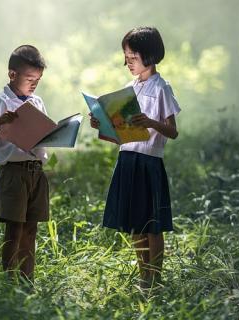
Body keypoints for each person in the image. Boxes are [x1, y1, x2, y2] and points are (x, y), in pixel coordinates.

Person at [89, 27, 181, 288]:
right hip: (127, 159)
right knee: (135, 224)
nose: (126, 63)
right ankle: (144, 277)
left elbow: (172, 131)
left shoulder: (162, 87)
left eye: (131, 57)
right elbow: (119, 133)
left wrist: (151, 121)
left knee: (153, 224)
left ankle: (156, 278)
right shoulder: (129, 88)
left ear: (149, 56)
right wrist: (102, 124)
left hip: (149, 161)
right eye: (125, 57)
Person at [0, 45, 49, 283]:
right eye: (29, 78)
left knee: (31, 229)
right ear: (12, 74)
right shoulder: (0, 102)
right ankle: (10, 281)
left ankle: (27, 280)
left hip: (36, 173)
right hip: (13, 173)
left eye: (38, 79)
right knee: (14, 230)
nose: (34, 84)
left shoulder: (37, 102)